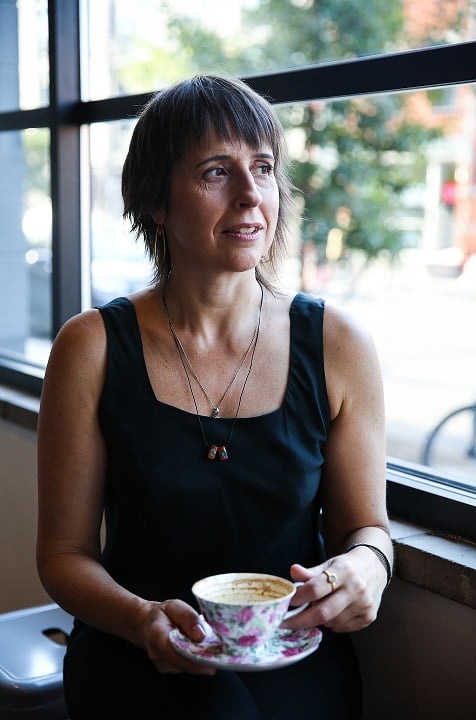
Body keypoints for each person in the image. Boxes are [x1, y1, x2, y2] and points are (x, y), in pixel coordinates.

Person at [36, 74, 393, 719]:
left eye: (263, 167)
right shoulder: (90, 347)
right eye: (214, 172)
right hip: (134, 646)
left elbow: (366, 528)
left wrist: (368, 567)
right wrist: (143, 619)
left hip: (290, 650)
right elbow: (65, 557)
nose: (251, 194)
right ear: (156, 203)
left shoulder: (337, 343)